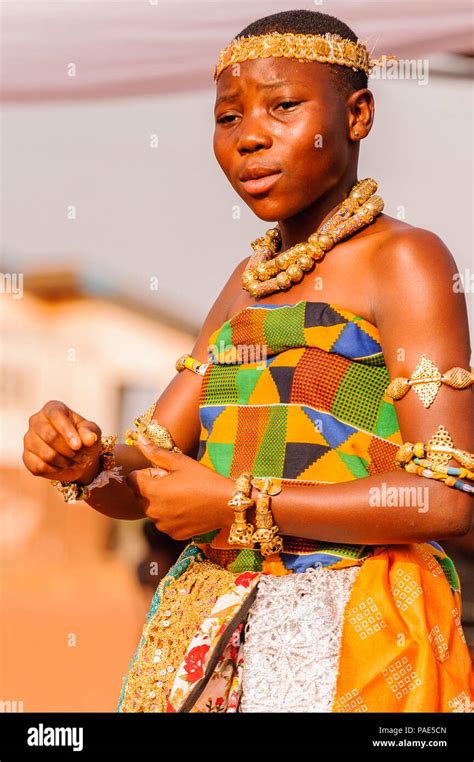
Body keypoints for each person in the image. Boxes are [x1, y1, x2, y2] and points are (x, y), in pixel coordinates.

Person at [23, 9, 473, 713]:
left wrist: (236, 502)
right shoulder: (246, 283)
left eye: (284, 106)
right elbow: (146, 471)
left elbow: (442, 498)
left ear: (357, 116)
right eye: (227, 117)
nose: (250, 136)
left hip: (351, 629)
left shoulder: (404, 262)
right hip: (220, 630)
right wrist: (82, 462)